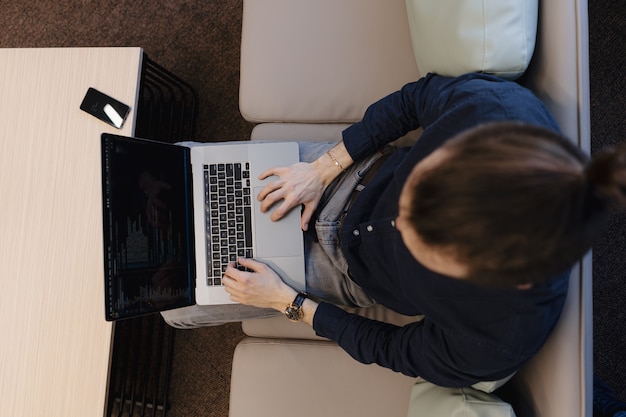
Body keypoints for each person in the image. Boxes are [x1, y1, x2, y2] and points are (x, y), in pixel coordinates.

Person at [162, 73, 626, 388]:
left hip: (345, 273)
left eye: (423, 247)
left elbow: (393, 348)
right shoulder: (497, 111)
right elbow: (413, 100)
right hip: (346, 176)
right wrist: (322, 169)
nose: (398, 222)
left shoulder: (499, 338)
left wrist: (288, 302)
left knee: (175, 305)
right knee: (175, 172)